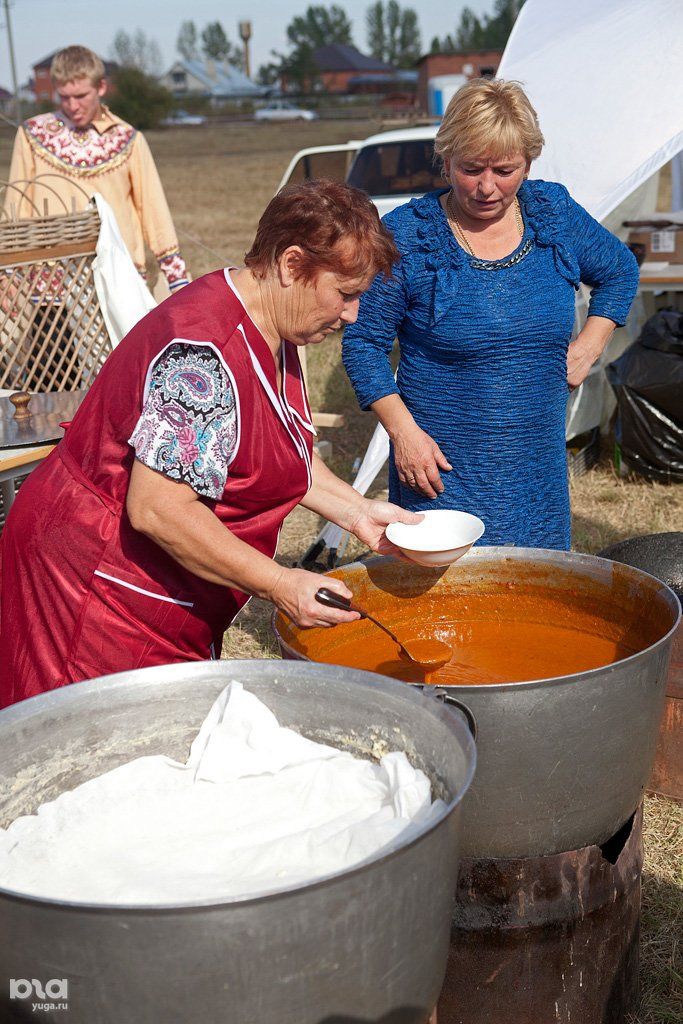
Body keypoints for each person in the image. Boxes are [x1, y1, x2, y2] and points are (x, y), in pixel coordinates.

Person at [0, 179, 420, 707]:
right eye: (346, 294)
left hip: (159, 588)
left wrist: (357, 513)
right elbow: (158, 509)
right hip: (93, 588)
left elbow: (280, 452)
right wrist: (280, 582)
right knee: (95, 752)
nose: (353, 315)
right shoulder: (202, 354)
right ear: (292, 265)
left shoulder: (277, 326)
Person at [342, 79, 640, 549]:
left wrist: (591, 342)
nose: (486, 187)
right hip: (439, 469)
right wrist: (403, 433)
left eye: (505, 170)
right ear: (445, 158)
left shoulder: (553, 216)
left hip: (536, 471)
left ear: (528, 163)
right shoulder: (408, 236)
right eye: (470, 169)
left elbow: (619, 270)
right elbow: (363, 343)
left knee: (533, 595)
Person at [5, 45, 188, 293]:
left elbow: (154, 210)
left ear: (101, 87)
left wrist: (175, 276)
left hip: (117, 279)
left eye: (81, 96)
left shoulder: (129, 139)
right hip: (49, 283)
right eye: (64, 97)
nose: (72, 105)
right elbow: (16, 206)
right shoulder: (31, 135)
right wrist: (7, 274)